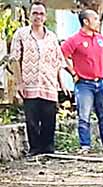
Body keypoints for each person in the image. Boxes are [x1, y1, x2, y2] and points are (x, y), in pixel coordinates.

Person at [8, 1, 68, 157]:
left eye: (41, 14)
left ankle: (48, 149)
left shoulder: (52, 37)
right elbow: (15, 59)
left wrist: (62, 83)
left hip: (49, 83)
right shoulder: (21, 34)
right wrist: (19, 82)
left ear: (45, 16)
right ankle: (35, 150)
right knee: (32, 119)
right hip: (29, 83)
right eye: (35, 13)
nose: (38, 17)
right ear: (29, 15)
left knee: (49, 119)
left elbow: (58, 62)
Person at [61, 9, 103, 152]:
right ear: (86, 21)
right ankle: (85, 145)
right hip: (84, 84)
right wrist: (72, 72)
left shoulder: (100, 38)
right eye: (95, 18)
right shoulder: (74, 40)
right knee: (84, 116)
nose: (98, 21)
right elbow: (62, 54)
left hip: (101, 82)